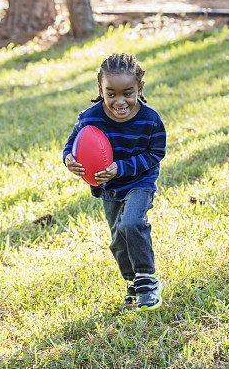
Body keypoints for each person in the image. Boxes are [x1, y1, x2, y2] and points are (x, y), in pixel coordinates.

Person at [63, 53, 167, 310]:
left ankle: (147, 279)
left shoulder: (150, 119)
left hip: (140, 181)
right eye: (111, 94)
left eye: (127, 93)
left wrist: (120, 168)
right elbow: (72, 143)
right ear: (101, 89)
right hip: (108, 187)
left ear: (139, 89)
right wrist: (69, 159)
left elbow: (156, 153)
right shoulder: (90, 117)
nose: (119, 101)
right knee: (118, 239)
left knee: (132, 222)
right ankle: (132, 282)